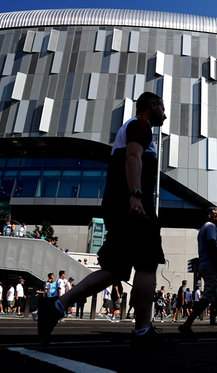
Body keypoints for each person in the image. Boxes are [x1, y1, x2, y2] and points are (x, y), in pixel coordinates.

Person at [36, 92, 174, 349]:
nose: (165, 114)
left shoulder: (131, 128)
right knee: (146, 264)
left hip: (117, 207)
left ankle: (55, 306)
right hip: (134, 208)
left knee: (115, 270)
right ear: (152, 106)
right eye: (163, 108)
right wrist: (136, 196)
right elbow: (132, 157)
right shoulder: (141, 125)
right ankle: (143, 332)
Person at [178, 207, 217, 341]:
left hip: (212, 267)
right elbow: (212, 243)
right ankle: (186, 325)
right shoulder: (210, 227)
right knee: (209, 295)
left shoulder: (205, 228)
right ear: (210, 215)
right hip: (211, 266)